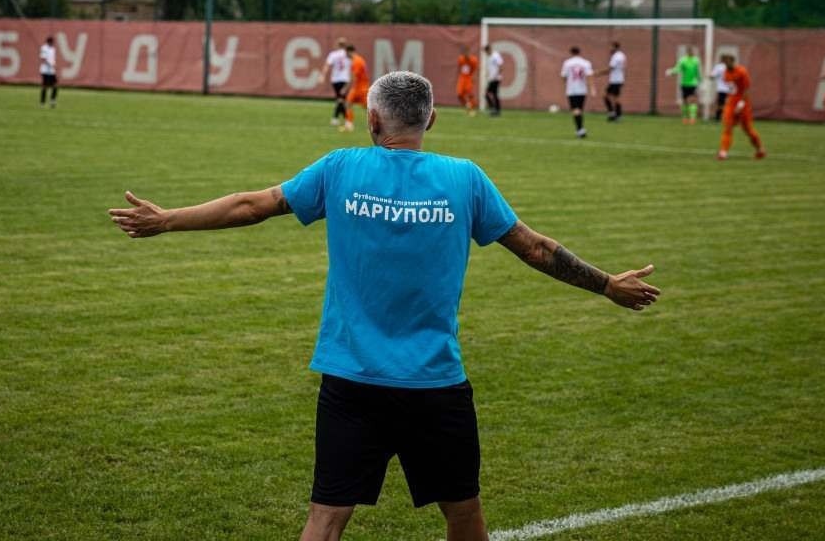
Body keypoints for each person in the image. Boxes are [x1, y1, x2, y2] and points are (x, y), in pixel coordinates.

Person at [109, 71, 659, 541]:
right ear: (432, 121)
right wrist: (608, 284)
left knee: (325, 520)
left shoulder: (341, 168)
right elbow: (536, 247)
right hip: (435, 384)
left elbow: (252, 206)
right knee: (463, 513)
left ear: (372, 121)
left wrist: (167, 220)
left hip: (352, 381)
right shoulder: (465, 180)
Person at [717, 53, 766, 161]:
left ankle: (760, 149)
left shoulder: (742, 71)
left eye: (726, 60)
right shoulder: (725, 73)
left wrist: (741, 103)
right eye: (723, 61)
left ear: (732, 61)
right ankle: (723, 152)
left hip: (743, 104)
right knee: (728, 127)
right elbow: (730, 89)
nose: (725, 63)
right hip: (731, 103)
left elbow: (746, 89)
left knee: (747, 129)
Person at [560, 46, 594, 138]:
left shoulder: (567, 63)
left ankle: (580, 130)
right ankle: (581, 129)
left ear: (571, 52)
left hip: (571, 89)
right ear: (579, 52)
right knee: (580, 109)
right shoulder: (585, 62)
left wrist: (565, 84)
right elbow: (590, 75)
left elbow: (563, 76)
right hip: (582, 89)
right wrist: (592, 88)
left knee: (575, 110)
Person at [665, 47, 702, 124]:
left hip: (693, 83)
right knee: (685, 101)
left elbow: (698, 72)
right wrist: (671, 72)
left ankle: (692, 118)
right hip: (684, 83)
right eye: (689, 51)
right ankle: (685, 118)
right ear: (687, 52)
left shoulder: (696, 60)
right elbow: (678, 69)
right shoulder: (683, 60)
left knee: (692, 100)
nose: (690, 52)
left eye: (691, 51)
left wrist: (701, 81)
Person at [321, 37, 352, 127]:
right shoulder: (348, 55)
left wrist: (322, 75)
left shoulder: (333, 54)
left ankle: (337, 118)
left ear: (337, 44)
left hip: (335, 79)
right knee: (341, 100)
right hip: (345, 79)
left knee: (340, 99)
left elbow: (327, 65)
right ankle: (345, 119)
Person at [340, 44, 370, 133]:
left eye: (346, 53)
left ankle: (372, 127)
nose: (345, 55)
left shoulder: (356, 61)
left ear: (349, 51)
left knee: (367, 108)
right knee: (349, 104)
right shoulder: (359, 60)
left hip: (360, 88)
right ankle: (349, 125)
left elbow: (354, 77)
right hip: (361, 87)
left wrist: (345, 88)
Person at [599, 41, 626, 121]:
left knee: (612, 98)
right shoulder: (621, 55)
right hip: (617, 79)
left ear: (615, 47)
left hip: (616, 80)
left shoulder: (616, 56)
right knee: (609, 97)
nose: (610, 49)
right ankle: (614, 114)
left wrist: (598, 73)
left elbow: (610, 68)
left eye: (611, 47)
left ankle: (616, 115)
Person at [455, 46, 478, 116]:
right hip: (462, 78)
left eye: (466, 51)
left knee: (470, 94)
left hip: (469, 78)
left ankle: (472, 108)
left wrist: (474, 77)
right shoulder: (460, 59)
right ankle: (467, 106)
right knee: (459, 94)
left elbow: (475, 69)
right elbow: (459, 68)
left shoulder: (473, 60)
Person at [483, 44, 503, 117]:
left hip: (496, 79)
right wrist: (488, 74)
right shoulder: (490, 57)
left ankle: (493, 109)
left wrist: (496, 76)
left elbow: (500, 66)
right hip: (492, 78)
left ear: (489, 49)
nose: (486, 53)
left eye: (486, 51)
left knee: (487, 94)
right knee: (494, 95)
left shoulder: (495, 56)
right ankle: (497, 111)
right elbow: (492, 68)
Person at [39, 36, 58, 108]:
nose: (53, 43)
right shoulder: (44, 48)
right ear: (49, 42)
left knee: (55, 85)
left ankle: (52, 100)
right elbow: (43, 58)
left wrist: (54, 65)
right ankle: (42, 103)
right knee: (44, 87)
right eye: (52, 42)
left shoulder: (53, 49)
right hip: (45, 70)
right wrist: (50, 64)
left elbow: (52, 59)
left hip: (52, 71)